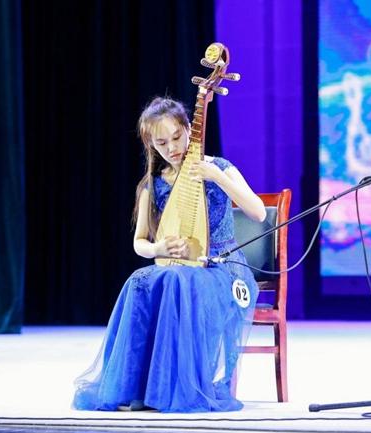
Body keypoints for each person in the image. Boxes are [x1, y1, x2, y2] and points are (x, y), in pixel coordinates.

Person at [72, 96, 266, 413]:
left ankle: (179, 389)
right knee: (139, 281)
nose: (172, 148)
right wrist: (158, 249)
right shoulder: (154, 185)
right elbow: (140, 242)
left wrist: (216, 176)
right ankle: (137, 387)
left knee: (177, 281)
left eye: (177, 137)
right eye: (162, 143)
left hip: (224, 268)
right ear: (151, 145)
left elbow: (258, 212)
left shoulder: (220, 168)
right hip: (179, 267)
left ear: (189, 129)